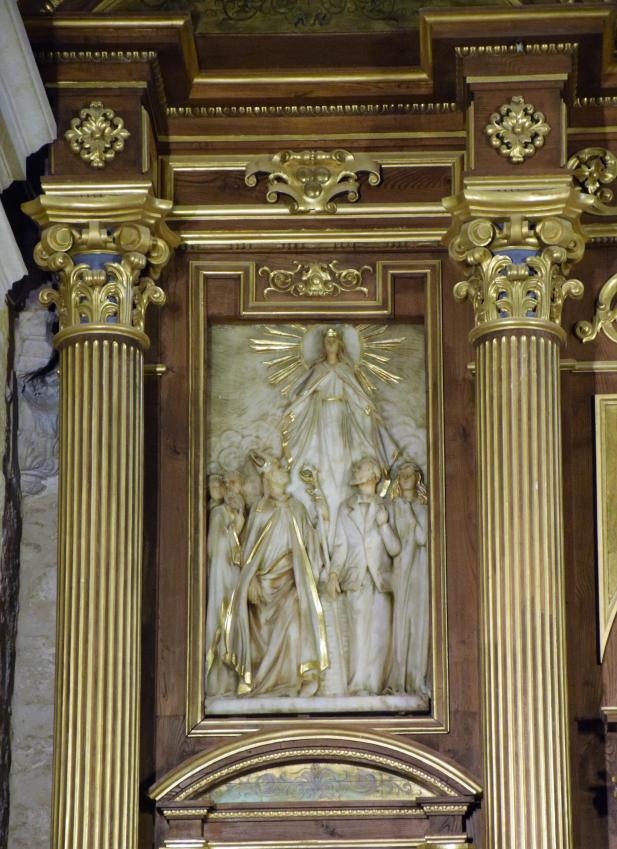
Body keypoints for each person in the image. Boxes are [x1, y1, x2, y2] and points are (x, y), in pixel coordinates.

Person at [282, 326, 399, 548]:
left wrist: (370, 411)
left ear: (340, 345)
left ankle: (342, 532)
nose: (331, 344)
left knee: (343, 470)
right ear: (323, 346)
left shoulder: (346, 370)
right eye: (327, 340)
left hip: (344, 425)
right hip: (321, 423)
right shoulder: (318, 370)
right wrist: (291, 415)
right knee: (324, 471)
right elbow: (305, 396)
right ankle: (323, 534)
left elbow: (357, 395)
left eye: (334, 340)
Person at [224, 451, 328, 697]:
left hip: (290, 581)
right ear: (268, 476)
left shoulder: (297, 507)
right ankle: (264, 682)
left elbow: (311, 543)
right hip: (264, 584)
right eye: (279, 468)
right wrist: (250, 580)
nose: (285, 470)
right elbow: (249, 550)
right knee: (263, 630)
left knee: (296, 614)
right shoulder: (261, 509)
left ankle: (297, 679)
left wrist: (321, 510)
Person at [328, 456, 400, 696]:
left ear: (373, 475)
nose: (356, 471)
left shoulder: (387, 507)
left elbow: (395, 549)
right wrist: (334, 574)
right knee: (358, 632)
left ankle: (376, 685)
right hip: (356, 578)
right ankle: (358, 685)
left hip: (381, 579)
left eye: (361, 469)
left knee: (380, 632)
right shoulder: (345, 508)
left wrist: (384, 525)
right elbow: (340, 546)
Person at [387, 461, 430, 696]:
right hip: (400, 568)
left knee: (418, 622)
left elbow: (423, 538)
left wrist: (411, 517)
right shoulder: (393, 507)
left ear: (417, 479)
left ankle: (416, 679)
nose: (404, 478)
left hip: (419, 570)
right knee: (400, 622)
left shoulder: (423, 508)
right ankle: (398, 681)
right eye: (401, 474)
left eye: (409, 474)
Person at [205, 477, 246, 697]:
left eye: (233, 484)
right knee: (220, 620)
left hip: (233, 576)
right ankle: (217, 678)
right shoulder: (218, 514)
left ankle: (232, 675)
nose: (229, 488)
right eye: (225, 484)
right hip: (221, 576)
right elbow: (216, 546)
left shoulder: (241, 515)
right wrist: (234, 533)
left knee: (235, 623)